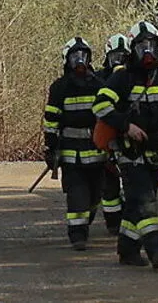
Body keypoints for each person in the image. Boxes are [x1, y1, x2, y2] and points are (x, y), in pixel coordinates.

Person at [93, 21, 158, 269]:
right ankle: (157, 249)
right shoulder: (121, 78)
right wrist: (126, 126)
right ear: (133, 49)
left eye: (152, 46)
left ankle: (127, 250)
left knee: (137, 204)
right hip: (130, 153)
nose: (148, 52)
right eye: (142, 47)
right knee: (145, 202)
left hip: (156, 152)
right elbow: (101, 105)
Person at [42, 37, 107, 250]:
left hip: (97, 151)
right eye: (75, 56)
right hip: (71, 153)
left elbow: (108, 117)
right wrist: (50, 149)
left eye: (84, 56)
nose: (80, 60)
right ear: (66, 59)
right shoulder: (59, 87)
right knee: (77, 194)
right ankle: (78, 235)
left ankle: (83, 224)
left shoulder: (99, 85)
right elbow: (51, 121)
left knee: (96, 195)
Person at [94, 33, 131, 235]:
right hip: (106, 138)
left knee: (131, 182)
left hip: (129, 136)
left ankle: (129, 217)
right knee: (109, 186)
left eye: (123, 57)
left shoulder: (135, 78)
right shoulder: (98, 78)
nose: (118, 62)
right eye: (114, 57)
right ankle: (113, 222)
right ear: (107, 57)